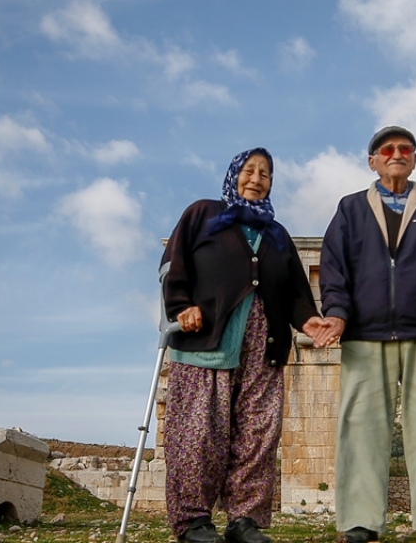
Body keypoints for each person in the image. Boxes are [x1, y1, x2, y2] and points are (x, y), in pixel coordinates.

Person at [314, 126, 416, 543]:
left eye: (404, 148)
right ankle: (360, 521)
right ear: (372, 160)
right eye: (386, 149)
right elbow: (334, 267)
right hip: (365, 333)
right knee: (361, 426)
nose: (396, 154)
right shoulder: (350, 209)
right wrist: (336, 313)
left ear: (415, 159)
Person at [162, 147, 328, 543]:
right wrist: (181, 305)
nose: (256, 179)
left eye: (265, 174)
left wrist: (309, 319)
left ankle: (244, 520)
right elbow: (173, 265)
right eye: (249, 171)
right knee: (197, 430)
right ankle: (193, 520)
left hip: (264, 346)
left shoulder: (277, 234)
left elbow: (295, 293)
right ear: (234, 174)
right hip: (207, 340)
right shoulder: (202, 215)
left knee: (258, 433)